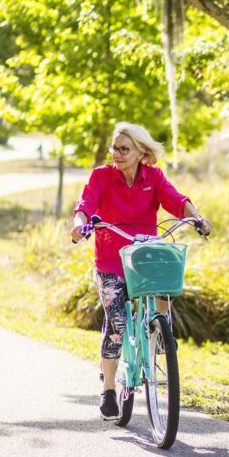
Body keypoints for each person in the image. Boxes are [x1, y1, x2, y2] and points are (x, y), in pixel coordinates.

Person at [71, 122, 211, 420]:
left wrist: (196, 217)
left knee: (166, 268)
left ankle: (160, 327)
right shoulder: (102, 176)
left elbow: (176, 200)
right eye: (115, 148)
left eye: (125, 149)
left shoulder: (154, 177)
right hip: (111, 261)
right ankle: (109, 389)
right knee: (118, 324)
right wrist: (79, 224)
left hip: (142, 257)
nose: (118, 154)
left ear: (141, 152)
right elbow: (85, 204)